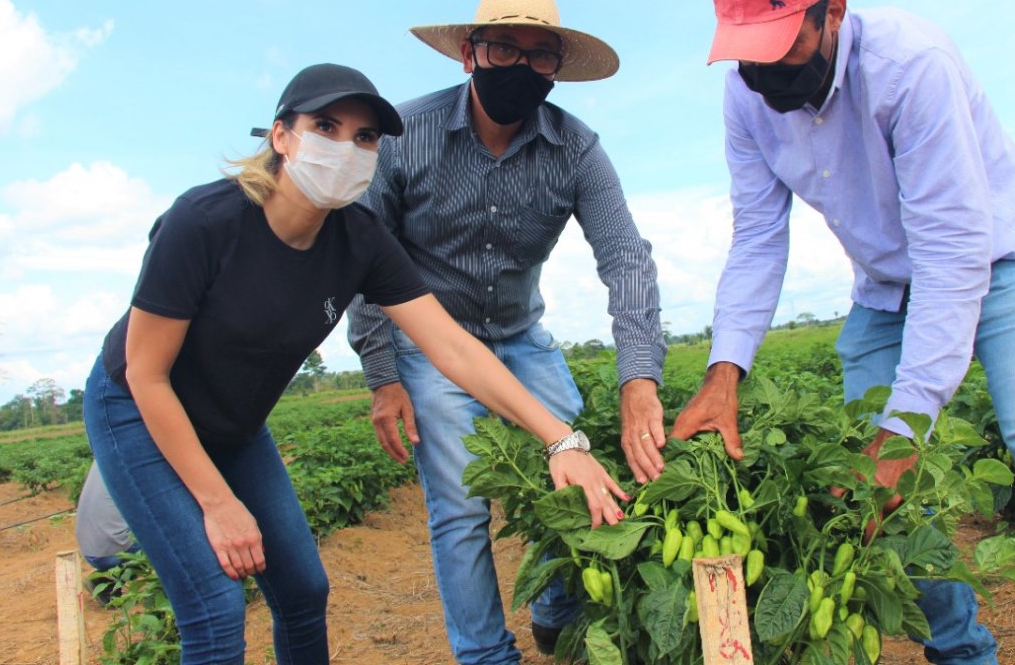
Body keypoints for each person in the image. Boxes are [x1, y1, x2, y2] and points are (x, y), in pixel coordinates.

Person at [673, 0, 1015, 665]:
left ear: (832, 12)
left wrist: (905, 431)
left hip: (997, 265)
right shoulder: (746, 101)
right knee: (875, 491)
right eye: (747, 53)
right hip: (883, 292)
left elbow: (952, 251)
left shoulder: (911, 63)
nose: (763, 72)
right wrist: (723, 372)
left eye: (780, 48)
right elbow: (757, 240)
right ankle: (961, 654)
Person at [83, 63, 628, 665]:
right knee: (215, 606)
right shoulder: (205, 222)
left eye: (364, 138)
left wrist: (561, 440)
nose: (346, 148)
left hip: (235, 426)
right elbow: (146, 374)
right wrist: (218, 502)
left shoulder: (359, 237)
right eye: (325, 127)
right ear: (280, 135)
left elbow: (450, 346)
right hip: (137, 411)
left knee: (303, 591)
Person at [347, 0, 668, 664]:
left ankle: (556, 611)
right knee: (462, 504)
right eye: (502, 49)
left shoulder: (575, 149)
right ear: (469, 53)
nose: (520, 69)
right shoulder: (406, 138)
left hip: (520, 334)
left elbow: (626, 259)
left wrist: (639, 377)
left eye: (539, 56)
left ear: (556, 69)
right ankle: (487, 654)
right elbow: (362, 258)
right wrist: (383, 375)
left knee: (578, 462)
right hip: (428, 341)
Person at [75, 461, 138, 606]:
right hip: (113, 550)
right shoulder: (142, 453)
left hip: (89, 549)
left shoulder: (103, 452)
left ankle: (106, 580)